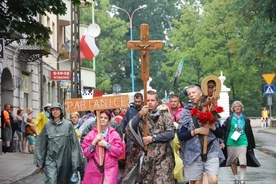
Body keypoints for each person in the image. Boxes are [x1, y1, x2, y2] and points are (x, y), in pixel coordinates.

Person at [123, 90, 176, 183]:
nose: (150, 103)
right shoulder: (140, 117)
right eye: (148, 100)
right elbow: (129, 129)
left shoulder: (164, 116)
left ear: (157, 102)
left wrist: (153, 139)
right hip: (147, 158)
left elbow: (171, 133)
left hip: (163, 157)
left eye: (152, 100)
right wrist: (140, 114)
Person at [177, 85, 224, 184]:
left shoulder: (211, 109)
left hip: (211, 149)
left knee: (213, 180)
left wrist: (212, 127)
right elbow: (181, 135)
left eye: (193, 92)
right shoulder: (186, 112)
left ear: (200, 93)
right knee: (196, 182)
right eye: (189, 94)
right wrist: (196, 131)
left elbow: (220, 133)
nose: (191, 95)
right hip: (193, 151)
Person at [34, 102, 83, 184]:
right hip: (51, 159)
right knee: (51, 180)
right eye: (53, 110)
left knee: (64, 181)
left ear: (61, 111)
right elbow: (41, 144)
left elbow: (74, 144)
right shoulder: (47, 126)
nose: (55, 111)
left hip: (65, 160)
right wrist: (39, 161)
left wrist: (75, 161)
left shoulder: (68, 125)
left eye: (57, 109)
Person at [81, 110, 124, 184]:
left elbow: (119, 151)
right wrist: (94, 142)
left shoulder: (114, 134)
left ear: (109, 120)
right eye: (101, 117)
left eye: (105, 118)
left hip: (110, 169)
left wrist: (106, 145)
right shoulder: (91, 134)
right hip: (94, 169)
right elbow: (86, 153)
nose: (103, 119)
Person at [222, 101, 259, 184]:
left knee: (243, 161)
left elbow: (249, 132)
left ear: (242, 108)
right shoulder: (229, 119)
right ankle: (236, 178)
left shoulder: (245, 119)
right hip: (231, 142)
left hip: (243, 142)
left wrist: (250, 145)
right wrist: (222, 141)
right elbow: (223, 130)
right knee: (233, 161)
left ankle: (242, 179)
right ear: (233, 109)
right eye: (235, 106)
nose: (237, 107)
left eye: (239, 106)